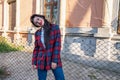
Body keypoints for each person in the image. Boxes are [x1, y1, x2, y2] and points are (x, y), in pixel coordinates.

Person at [30, 14, 65, 80]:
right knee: (41, 78)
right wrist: (34, 62)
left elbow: (57, 45)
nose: (38, 21)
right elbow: (36, 49)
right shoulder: (37, 33)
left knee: (60, 78)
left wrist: (54, 61)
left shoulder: (55, 28)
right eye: (36, 22)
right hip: (41, 59)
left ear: (41, 17)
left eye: (38, 19)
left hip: (53, 57)